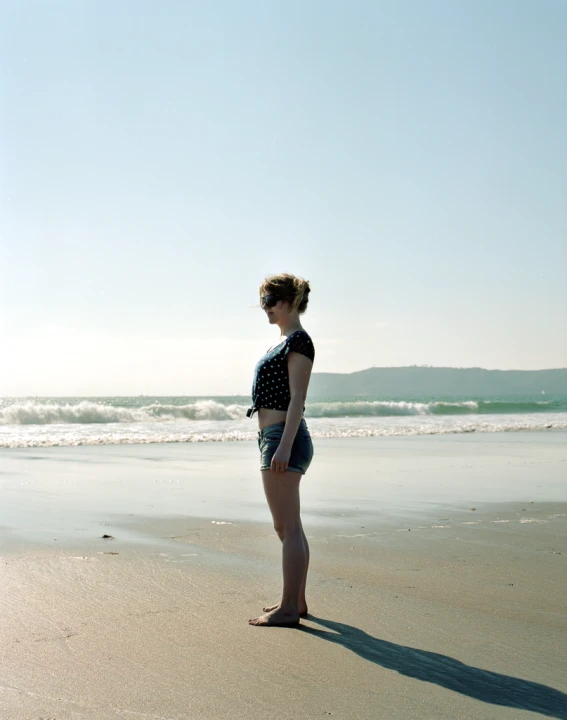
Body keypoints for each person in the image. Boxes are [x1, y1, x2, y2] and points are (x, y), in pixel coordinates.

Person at [247, 273, 315, 627]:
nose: (265, 308)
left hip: (282, 439)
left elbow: (298, 400)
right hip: (273, 438)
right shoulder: (283, 341)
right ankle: (297, 601)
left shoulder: (299, 342)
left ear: (288, 302)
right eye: (263, 302)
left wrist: (283, 446)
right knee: (290, 526)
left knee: (286, 527)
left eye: (269, 301)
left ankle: (289, 609)